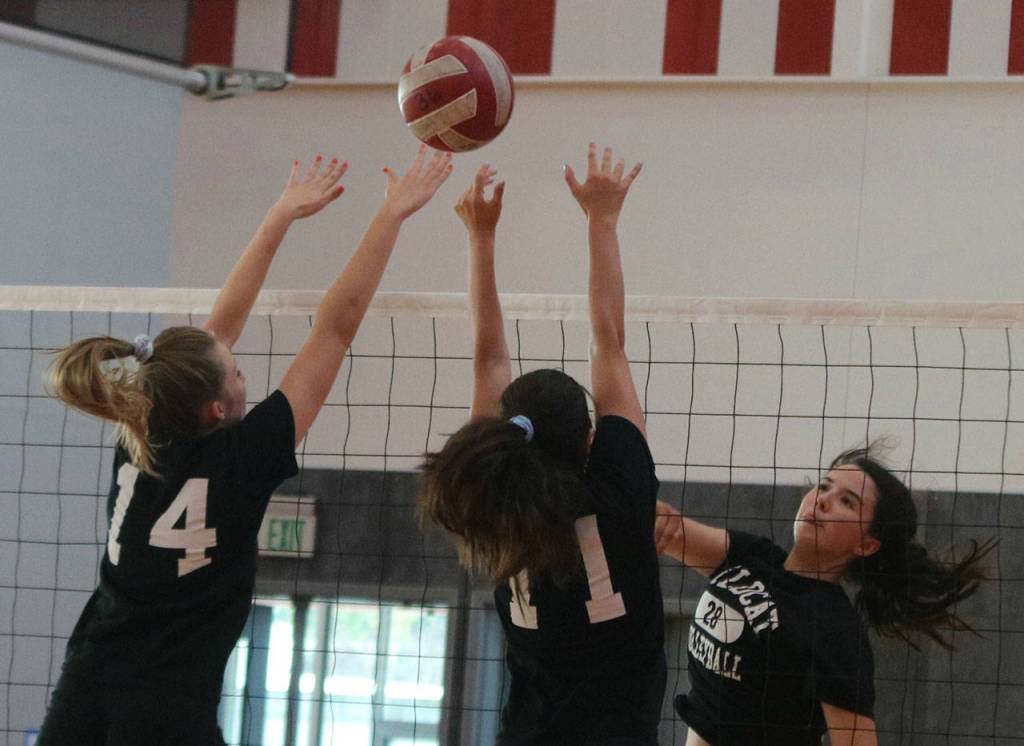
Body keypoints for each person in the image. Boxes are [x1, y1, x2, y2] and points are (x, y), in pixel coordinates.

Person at [36, 145, 453, 745]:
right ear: (216, 408)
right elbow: (337, 325)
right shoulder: (242, 460)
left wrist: (281, 213)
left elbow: (215, 334)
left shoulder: (141, 424)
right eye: (236, 374)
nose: (243, 377)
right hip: (168, 709)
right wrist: (391, 214)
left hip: (87, 683)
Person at [419, 144, 665, 745]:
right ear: (589, 439)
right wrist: (601, 221)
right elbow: (608, 340)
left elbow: (489, 358)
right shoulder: (618, 489)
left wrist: (481, 237)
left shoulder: (494, 498)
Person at [655, 446, 995, 746]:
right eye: (825, 486)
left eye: (846, 501)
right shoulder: (755, 557)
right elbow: (670, 532)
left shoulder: (834, 628)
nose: (822, 499)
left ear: (866, 544)